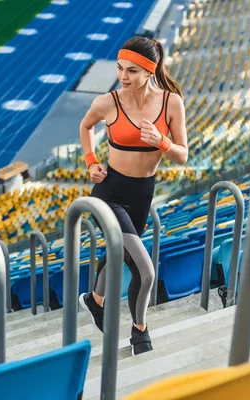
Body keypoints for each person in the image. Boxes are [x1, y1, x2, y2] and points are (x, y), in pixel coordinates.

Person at [77, 36, 188, 356]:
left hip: (143, 194)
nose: (123, 76)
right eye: (120, 69)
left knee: (117, 253)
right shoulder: (107, 102)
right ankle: (140, 330)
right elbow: (86, 127)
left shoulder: (171, 103)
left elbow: (182, 156)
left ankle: (94, 301)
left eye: (132, 71)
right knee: (145, 269)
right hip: (109, 193)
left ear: (150, 71)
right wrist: (91, 161)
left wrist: (161, 141)